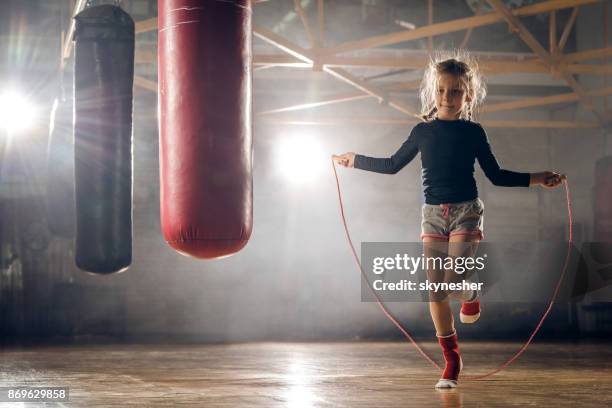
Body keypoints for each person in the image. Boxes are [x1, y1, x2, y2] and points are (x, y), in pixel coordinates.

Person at [332, 54, 564, 389]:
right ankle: (452, 360)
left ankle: (470, 290)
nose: (446, 97)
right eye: (441, 90)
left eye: (455, 91)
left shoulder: (473, 132)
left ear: (467, 95)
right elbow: (393, 164)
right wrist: (355, 160)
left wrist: (538, 178)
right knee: (435, 291)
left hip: (465, 210)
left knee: (454, 277)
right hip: (432, 215)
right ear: (433, 92)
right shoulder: (422, 132)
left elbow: (496, 176)